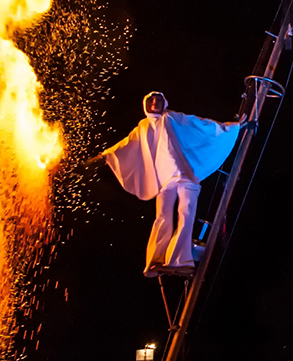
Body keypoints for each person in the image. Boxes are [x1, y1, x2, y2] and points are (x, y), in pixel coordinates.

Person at [101, 92, 243, 277]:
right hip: (165, 179)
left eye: (159, 100)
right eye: (151, 100)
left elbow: (200, 124)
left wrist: (232, 127)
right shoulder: (144, 127)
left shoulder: (173, 117)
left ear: (164, 103)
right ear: (145, 104)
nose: (155, 102)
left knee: (186, 212)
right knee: (162, 216)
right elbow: (127, 144)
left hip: (186, 174)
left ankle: (179, 258)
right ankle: (156, 259)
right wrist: (108, 154)